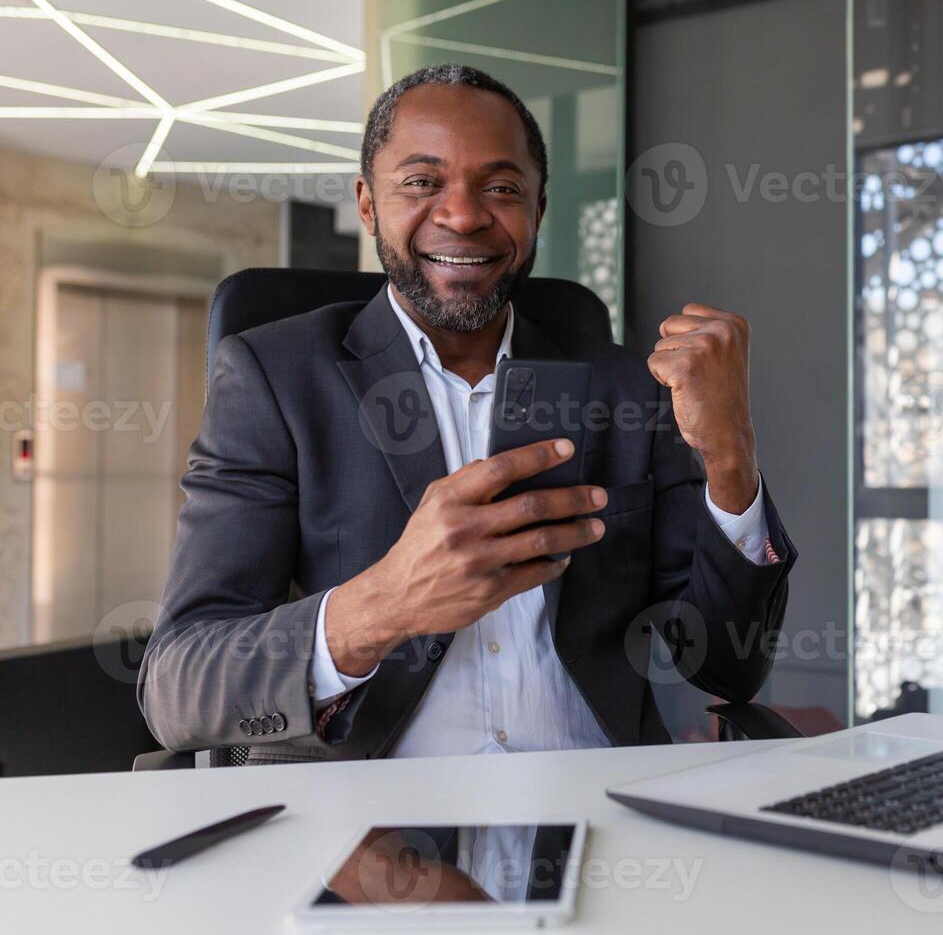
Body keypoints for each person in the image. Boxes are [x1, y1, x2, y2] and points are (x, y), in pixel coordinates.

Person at [137, 63, 796, 764]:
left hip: (596, 808)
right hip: (381, 840)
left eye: (502, 188)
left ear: (538, 211)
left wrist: (730, 455)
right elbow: (177, 687)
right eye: (422, 182)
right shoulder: (275, 378)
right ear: (367, 204)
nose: (463, 215)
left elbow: (727, 668)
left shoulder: (623, 389)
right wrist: (384, 605)